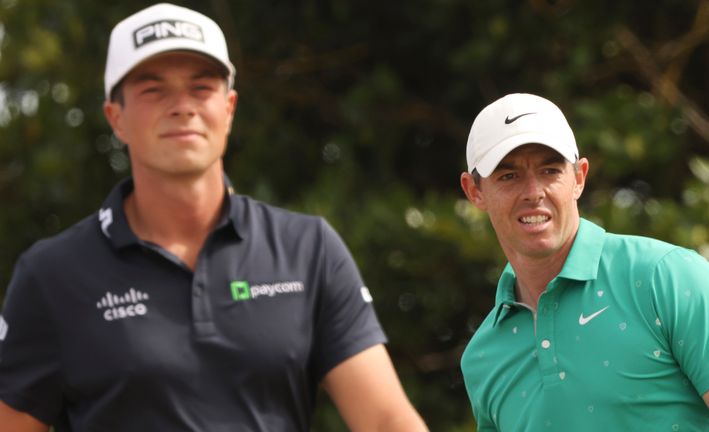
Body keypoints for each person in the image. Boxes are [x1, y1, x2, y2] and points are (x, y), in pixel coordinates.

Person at [0, 3, 428, 431]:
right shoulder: (51, 274)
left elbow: (385, 420)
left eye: (201, 88)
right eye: (154, 90)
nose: (182, 107)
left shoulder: (308, 248)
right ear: (116, 117)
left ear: (229, 108)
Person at [458, 93, 709, 431]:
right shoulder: (482, 356)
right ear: (474, 191)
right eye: (508, 176)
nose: (534, 191)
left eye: (550, 170)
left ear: (579, 178)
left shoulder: (666, 276)